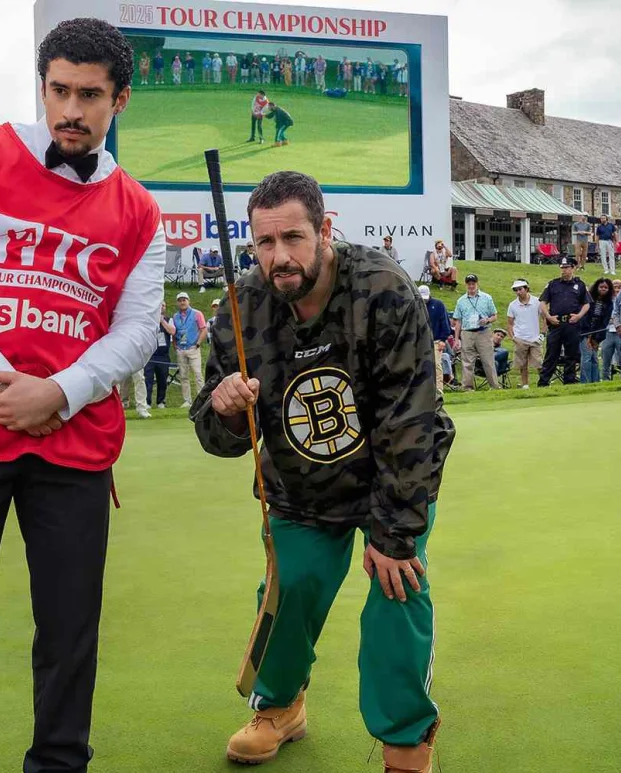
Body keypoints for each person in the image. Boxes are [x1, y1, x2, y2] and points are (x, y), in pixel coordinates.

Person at [0, 18, 165, 773]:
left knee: (69, 632)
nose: (71, 110)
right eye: (59, 90)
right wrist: (0, 381)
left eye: (90, 95)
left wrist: (60, 390)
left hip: (73, 438)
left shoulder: (140, 211)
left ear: (121, 100)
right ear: (41, 85)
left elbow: (138, 327)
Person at [192, 170, 453, 770]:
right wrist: (227, 411)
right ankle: (281, 707)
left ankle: (406, 739)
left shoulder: (384, 288)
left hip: (387, 478)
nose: (278, 257)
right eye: (264, 243)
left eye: (293, 238)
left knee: (398, 585)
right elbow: (215, 431)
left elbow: (412, 418)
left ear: (324, 230)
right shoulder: (242, 306)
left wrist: (393, 533)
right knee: (291, 588)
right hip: (297, 488)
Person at [538, 257, 590, 387]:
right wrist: (548, 317)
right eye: (562, 268)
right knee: (551, 354)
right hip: (556, 324)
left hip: (572, 324)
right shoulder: (553, 284)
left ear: (573, 268)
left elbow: (587, 304)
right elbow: (543, 302)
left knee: (571, 355)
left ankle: (569, 382)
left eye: (567, 268)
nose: (564, 270)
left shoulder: (580, 285)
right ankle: (543, 382)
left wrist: (579, 316)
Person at [451, 273, 499, 390]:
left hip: (483, 332)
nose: (471, 286)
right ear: (466, 284)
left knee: (488, 360)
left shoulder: (487, 298)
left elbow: (495, 316)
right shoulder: (461, 301)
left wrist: (487, 320)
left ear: (477, 284)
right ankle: (467, 387)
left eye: (473, 284)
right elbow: (458, 321)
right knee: (467, 361)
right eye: (469, 284)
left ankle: (494, 386)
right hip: (467, 333)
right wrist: (456, 339)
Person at [506, 278, 543, 389]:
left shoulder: (537, 302)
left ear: (526, 289)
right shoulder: (512, 305)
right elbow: (509, 324)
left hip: (535, 338)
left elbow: (545, 319)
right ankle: (525, 384)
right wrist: (513, 337)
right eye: (516, 290)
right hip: (520, 338)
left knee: (539, 363)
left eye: (520, 289)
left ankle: (543, 382)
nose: (518, 292)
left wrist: (543, 334)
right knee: (522, 364)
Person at [173, 291, 207, 408]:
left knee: (198, 374)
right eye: (180, 300)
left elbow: (203, 329)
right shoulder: (175, 316)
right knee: (183, 376)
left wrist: (198, 343)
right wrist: (175, 346)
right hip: (181, 348)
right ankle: (187, 400)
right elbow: (174, 332)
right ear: (178, 303)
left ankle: (201, 399)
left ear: (188, 301)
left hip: (193, 348)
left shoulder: (197, 313)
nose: (182, 302)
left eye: (184, 300)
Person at [578, 278, 614, 384]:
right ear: (596, 287)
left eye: (606, 287)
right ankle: (585, 383)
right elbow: (585, 317)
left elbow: (604, 322)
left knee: (594, 358)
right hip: (584, 332)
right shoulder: (588, 299)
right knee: (587, 357)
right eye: (601, 287)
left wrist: (596, 339)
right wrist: (588, 336)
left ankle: (595, 382)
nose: (603, 289)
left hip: (597, 334)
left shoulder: (609, 303)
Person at [420, 285, 451, 394]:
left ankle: (438, 390)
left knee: (437, 365)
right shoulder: (415, 305)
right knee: (422, 365)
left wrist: (443, 339)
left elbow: (445, 322)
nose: (424, 301)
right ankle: (423, 390)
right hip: (421, 342)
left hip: (436, 340)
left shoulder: (438, 305)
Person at [145, 302, 174, 409]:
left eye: (164, 305)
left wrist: (162, 321)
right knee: (148, 380)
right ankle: (147, 402)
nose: (161, 307)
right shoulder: (149, 320)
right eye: (160, 305)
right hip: (150, 356)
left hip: (163, 356)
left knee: (162, 380)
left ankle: (161, 402)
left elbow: (172, 331)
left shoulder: (169, 319)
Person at [599, 279, 621, 381]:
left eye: (620, 287)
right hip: (607, 332)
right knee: (606, 359)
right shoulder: (604, 301)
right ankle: (605, 380)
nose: (617, 289)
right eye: (615, 287)